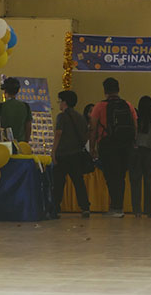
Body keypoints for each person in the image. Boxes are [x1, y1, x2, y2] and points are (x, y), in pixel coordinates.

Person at [89, 77, 137, 218]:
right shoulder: (128, 105)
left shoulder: (99, 106)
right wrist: (132, 142)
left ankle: (116, 208)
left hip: (107, 144)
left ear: (105, 91)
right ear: (118, 89)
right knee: (121, 176)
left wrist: (92, 147)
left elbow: (93, 129)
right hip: (125, 145)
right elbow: (135, 126)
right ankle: (118, 206)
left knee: (111, 176)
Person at [51, 90, 91, 218]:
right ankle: (85, 207)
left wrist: (53, 151)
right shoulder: (80, 117)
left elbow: (58, 134)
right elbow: (86, 135)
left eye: (59, 101)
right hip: (76, 154)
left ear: (65, 102)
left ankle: (55, 207)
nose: (59, 103)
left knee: (58, 182)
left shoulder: (61, 116)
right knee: (78, 182)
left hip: (62, 154)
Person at [129, 95, 151, 218]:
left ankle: (137, 210)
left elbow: (133, 135)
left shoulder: (136, 119)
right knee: (149, 182)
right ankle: (149, 211)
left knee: (135, 182)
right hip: (150, 152)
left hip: (136, 151)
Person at [0, 78, 32, 142]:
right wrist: (26, 142)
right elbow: (28, 127)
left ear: (5, 91)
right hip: (20, 144)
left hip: (4, 144)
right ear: (17, 91)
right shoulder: (25, 106)